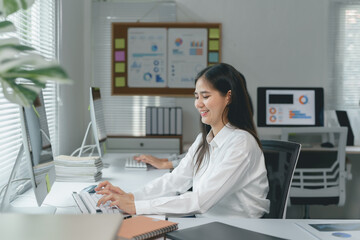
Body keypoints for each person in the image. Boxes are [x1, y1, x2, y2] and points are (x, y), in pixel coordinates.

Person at [96, 63, 270, 218]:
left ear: (228, 97)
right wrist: (132, 197)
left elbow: (201, 200)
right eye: (196, 97)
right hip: (208, 224)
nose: (198, 104)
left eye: (206, 96)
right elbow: (176, 180)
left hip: (239, 230)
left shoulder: (242, 143)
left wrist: (136, 207)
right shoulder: (204, 140)